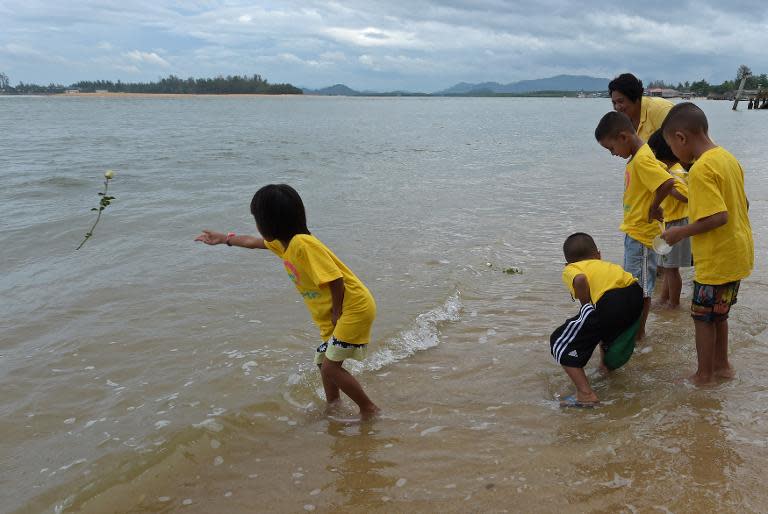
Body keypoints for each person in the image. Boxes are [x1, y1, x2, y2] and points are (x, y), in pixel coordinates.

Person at [195, 184, 380, 418]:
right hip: (338, 309)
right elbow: (252, 242)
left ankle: (369, 409)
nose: (257, 226)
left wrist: (336, 312)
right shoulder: (286, 244)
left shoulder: (303, 244)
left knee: (330, 368)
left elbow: (336, 279)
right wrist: (224, 239)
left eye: (257, 219)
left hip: (352, 308)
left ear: (268, 222)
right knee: (323, 361)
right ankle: (333, 406)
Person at [661, 103, 754, 385]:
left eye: (671, 147)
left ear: (681, 138)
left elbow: (718, 216)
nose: (674, 155)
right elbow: (743, 204)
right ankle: (722, 366)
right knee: (719, 315)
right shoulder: (727, 158)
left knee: (702, 318)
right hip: (737, 253)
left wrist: (680, 232)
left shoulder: (701, 169)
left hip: (716, 259)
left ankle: (703, 375)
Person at [595, 111, 676, 339]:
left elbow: (667, 182)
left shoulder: (641, 158)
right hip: (635, 232)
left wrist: (653, 207)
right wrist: (655, 203)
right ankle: (636, 332)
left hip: (641, 236)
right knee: (636, 285)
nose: (612, 154)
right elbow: (660, 180)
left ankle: (638, 335)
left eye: (611, 148)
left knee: (639, 289)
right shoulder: (640, 157)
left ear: (623, 137)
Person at [550, 233, 644, 407]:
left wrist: (586, 307)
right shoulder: (607, 265)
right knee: (603, 331)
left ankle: (585, 395)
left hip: (610, 301)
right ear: (598, 255)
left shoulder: (572, 268)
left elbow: (580, 279)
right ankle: (605, 368)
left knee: (559, 343)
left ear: (567, 263)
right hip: (635, 295)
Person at [647, 129, 692, 309]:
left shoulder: (676, 173)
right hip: (671, 222)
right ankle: (664, 298)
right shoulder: (671, 170)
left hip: (678, 223)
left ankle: (674, 303)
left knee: (671, 269)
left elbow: (688, 196)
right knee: (668, 267)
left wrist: (670, 188)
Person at [609, 73, 673, 142]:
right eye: (614, 103)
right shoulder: (625, 120)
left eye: (620, 101)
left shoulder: (660, 110)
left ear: (635, 97)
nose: (617, 107)